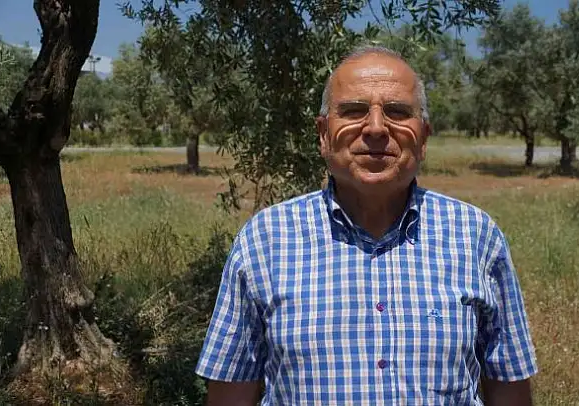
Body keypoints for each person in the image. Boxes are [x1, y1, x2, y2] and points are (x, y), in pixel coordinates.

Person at [195, 44, 538, 406]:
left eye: (397, 112)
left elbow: (509, 386)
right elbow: (230, 393)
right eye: (354, 111)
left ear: (423, 137)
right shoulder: (265, 240)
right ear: (323, 134)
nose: (375, 128)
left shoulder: (475, 236)